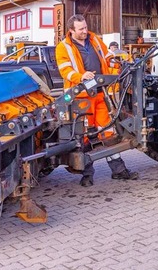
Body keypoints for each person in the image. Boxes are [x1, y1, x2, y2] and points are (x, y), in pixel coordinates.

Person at [56, 14, 138, 187]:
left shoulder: (94, 39)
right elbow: (65, 71)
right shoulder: (63, 48)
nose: (85, 31)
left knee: (107, 131)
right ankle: (87, 174)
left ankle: (119, 171)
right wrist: (80, 76)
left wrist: (117, 63)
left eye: (85, 27)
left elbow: (107, 56)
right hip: (80, 97)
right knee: (83, 136)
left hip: (100, 93)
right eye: (81, 29)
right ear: (72, 31)